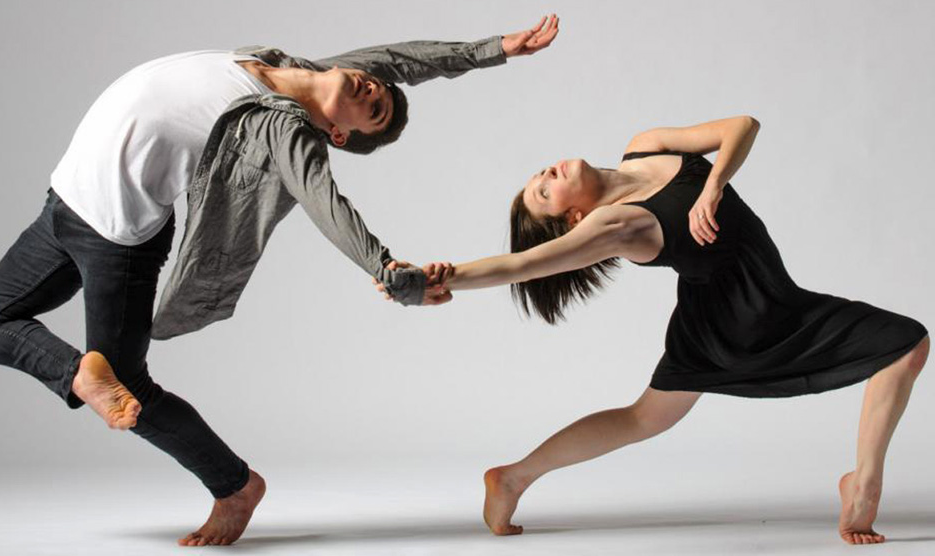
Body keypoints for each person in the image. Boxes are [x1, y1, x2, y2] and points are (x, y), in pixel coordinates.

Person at [0, 16, 560, 547]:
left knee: (128, 387)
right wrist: (495, 49)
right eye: (377, 86)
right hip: (64, 205)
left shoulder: (284, 128)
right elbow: (404, 60)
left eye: (374, 109)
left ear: (339, 134)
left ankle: (234, 486)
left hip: (117, 236)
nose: (374, 88)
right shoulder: (290, 66)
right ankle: (83, 376)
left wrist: (385, 269)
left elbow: (325, 202)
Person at [392, 115, 928, 545]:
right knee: (905, 343)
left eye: (540, 176)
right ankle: (864, 485)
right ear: (574, 220)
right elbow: (522, 265)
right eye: (544, 192)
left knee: (644, 417)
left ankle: (511, 477)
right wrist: (438, 278)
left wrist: (713, 186)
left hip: (742, 304)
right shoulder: (616, 224)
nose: (546, 175)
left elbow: (742, 126)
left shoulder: (645, 146)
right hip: (740, 321)